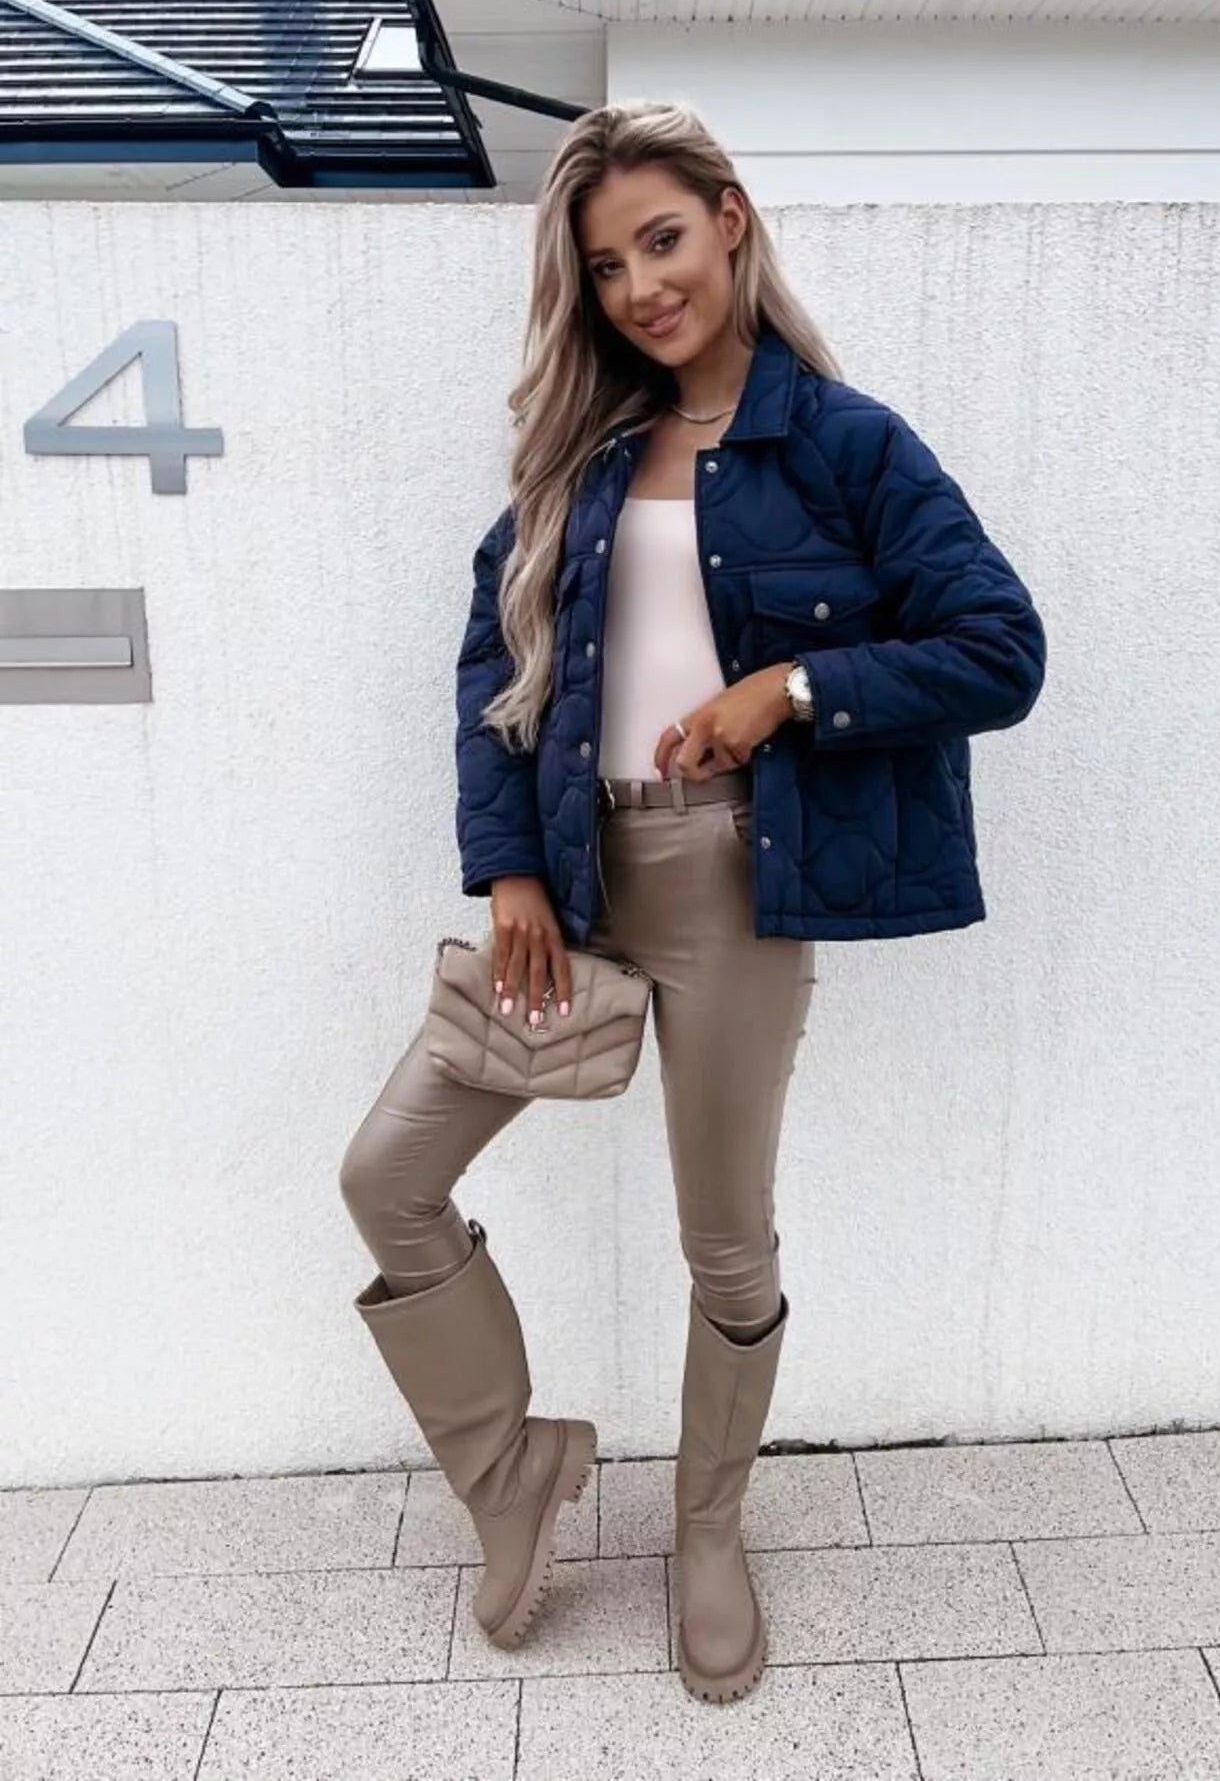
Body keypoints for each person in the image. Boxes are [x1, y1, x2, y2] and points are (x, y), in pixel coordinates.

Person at [339, 100, 1047, 1707]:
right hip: (575, 882)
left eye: (661, 238)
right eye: (606, 265)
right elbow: (489, 678)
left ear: (728, 221)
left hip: (740, 878)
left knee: (723, 1246)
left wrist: (784, 689)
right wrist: (511, 866)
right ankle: (511, 1467)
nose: (640, 283)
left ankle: (708, 1526)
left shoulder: (848, 442)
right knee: (389, 1174)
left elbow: (998, 648)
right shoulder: (581, 459)